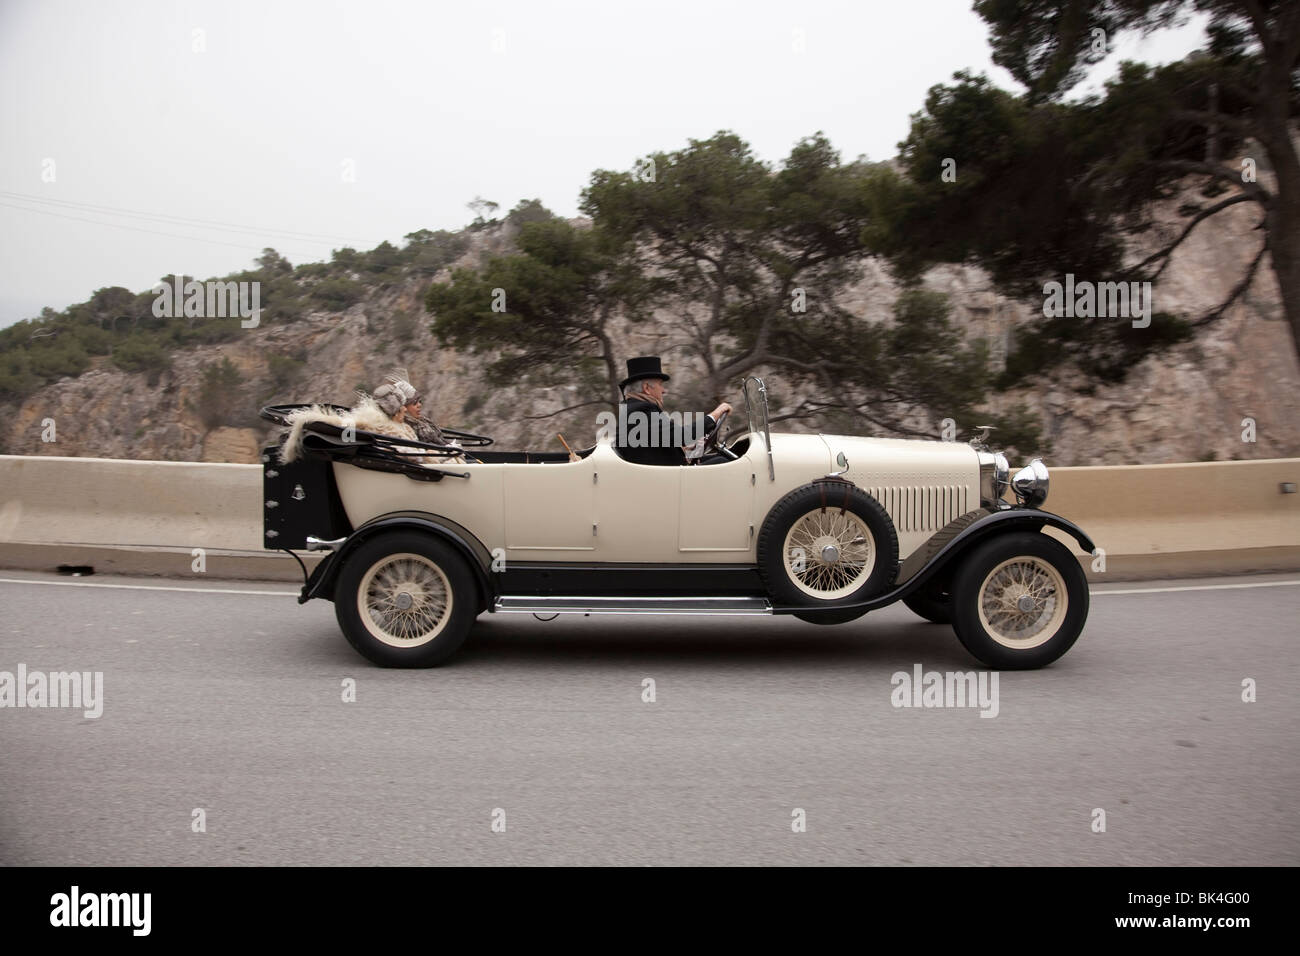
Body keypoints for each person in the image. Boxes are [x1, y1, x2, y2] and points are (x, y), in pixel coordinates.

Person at [613, 356, 732, 466]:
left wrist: (683, 449)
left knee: (719, 458)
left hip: (664, 473)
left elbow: (662, 443)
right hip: (664, 480)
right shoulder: (641, 410)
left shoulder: (633, 408)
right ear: (646, 388)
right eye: (660, 384)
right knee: (725, 463)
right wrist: (716, 414)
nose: (663, 390)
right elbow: (683, 436)